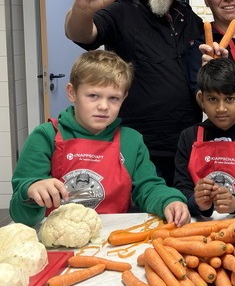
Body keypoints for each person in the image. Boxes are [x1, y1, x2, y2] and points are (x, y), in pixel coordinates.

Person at [64, 0, 235, 186]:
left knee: (185, 212)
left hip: (187, 142)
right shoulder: (120, 11)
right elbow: (81, 33)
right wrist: (82, 10)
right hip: (141, 145)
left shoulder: (185, 15)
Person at [9, 50, 190, 227]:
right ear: (72, 93)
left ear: (124, 98)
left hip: (111, 241)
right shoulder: (46, 136)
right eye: (93, 96)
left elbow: (148, 187)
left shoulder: (131, 141)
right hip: (55, 244)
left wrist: (169, 201)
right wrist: (31, 190)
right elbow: (20, 215)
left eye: (113, 98)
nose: (103, 106)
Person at [173, 57, 235, 217]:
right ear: (201, 100)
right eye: (213, 99)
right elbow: (180, 188)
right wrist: (196, 202)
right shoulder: (189, 137)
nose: (221, 108)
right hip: (199, 225)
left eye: (229, 99)